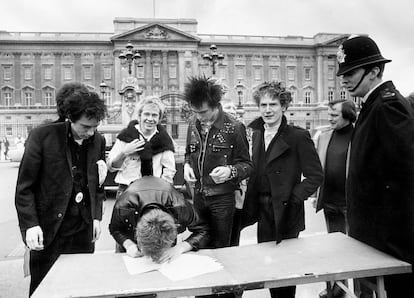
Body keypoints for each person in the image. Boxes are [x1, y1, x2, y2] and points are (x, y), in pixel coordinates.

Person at [337, 35, 414, 297]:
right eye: (342, 73)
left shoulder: (388, 106)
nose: (344, 79)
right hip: (374, 240)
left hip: (390, 243)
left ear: (374, 71)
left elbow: (408, 172)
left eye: (351, 72)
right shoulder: (373, 105)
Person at [15, 89, 107, 296]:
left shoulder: (98, 141)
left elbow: (97, 185)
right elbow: (24, 187)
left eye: (95, 127)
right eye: (85, 127)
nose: (91, 132)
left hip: (82, 230)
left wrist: (96, 217)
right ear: (70, 118)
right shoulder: (42, 136)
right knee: (45, 288)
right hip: (49, 230)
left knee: (80, 287)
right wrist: (30, 225)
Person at [242, 81, 323, 298]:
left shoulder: (297, 136)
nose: (267, 110)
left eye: (273, 104)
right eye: (263, 105)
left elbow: (315, 176)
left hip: (286, 211)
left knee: (286, 273)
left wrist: (295, 197)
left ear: (284, 106)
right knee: (269, 268)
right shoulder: (254, 132)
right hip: (262, 209)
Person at [183, 76, 252, 252]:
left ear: (215, 105)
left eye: (203, 112)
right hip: (198, 196)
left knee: (223, 249)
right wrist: (186, 166)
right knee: (198, 245)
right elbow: (189, 153)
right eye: (195, 112)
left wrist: (230, 171)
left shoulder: (235, 127)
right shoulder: (193, 124)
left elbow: (247, 165)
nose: (199, 117)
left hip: (223, 199)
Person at [109, 173, 210, 261]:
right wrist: (128, 245)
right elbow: (115, 229)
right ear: (138, 236)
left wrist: (180, 248)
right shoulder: (123, 206)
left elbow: (204, 230)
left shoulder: (179, 206)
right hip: (131, 240)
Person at [312, 99, 356, 298]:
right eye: (329, 114)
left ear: (348, 116)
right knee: (333, 250)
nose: (329, 118)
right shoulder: (324, 136)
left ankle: (364, 291)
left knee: (358, 252)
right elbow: (318, 166)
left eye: (334, 115)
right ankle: (336, 289)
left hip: (352, 203)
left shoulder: (359, 135)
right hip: (330, 201)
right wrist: (315, 193)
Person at [107, 96, 176, 196]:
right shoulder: (126, 136)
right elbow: (111, 167)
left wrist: (162, 190)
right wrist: (124, 153)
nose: (150, 119)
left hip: (154, 191)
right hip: (127, 190)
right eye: (146, 114)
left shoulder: (164, 140)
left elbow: (169, 170)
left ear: (159, 118)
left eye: (154, 115)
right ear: (140, 116)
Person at [220, 98, 248, 247]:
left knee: (234, 230)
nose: (231, 118)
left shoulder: (241, 133)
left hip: (236, 190)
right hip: (219, 193)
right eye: (227, 114)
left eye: (233, 114)